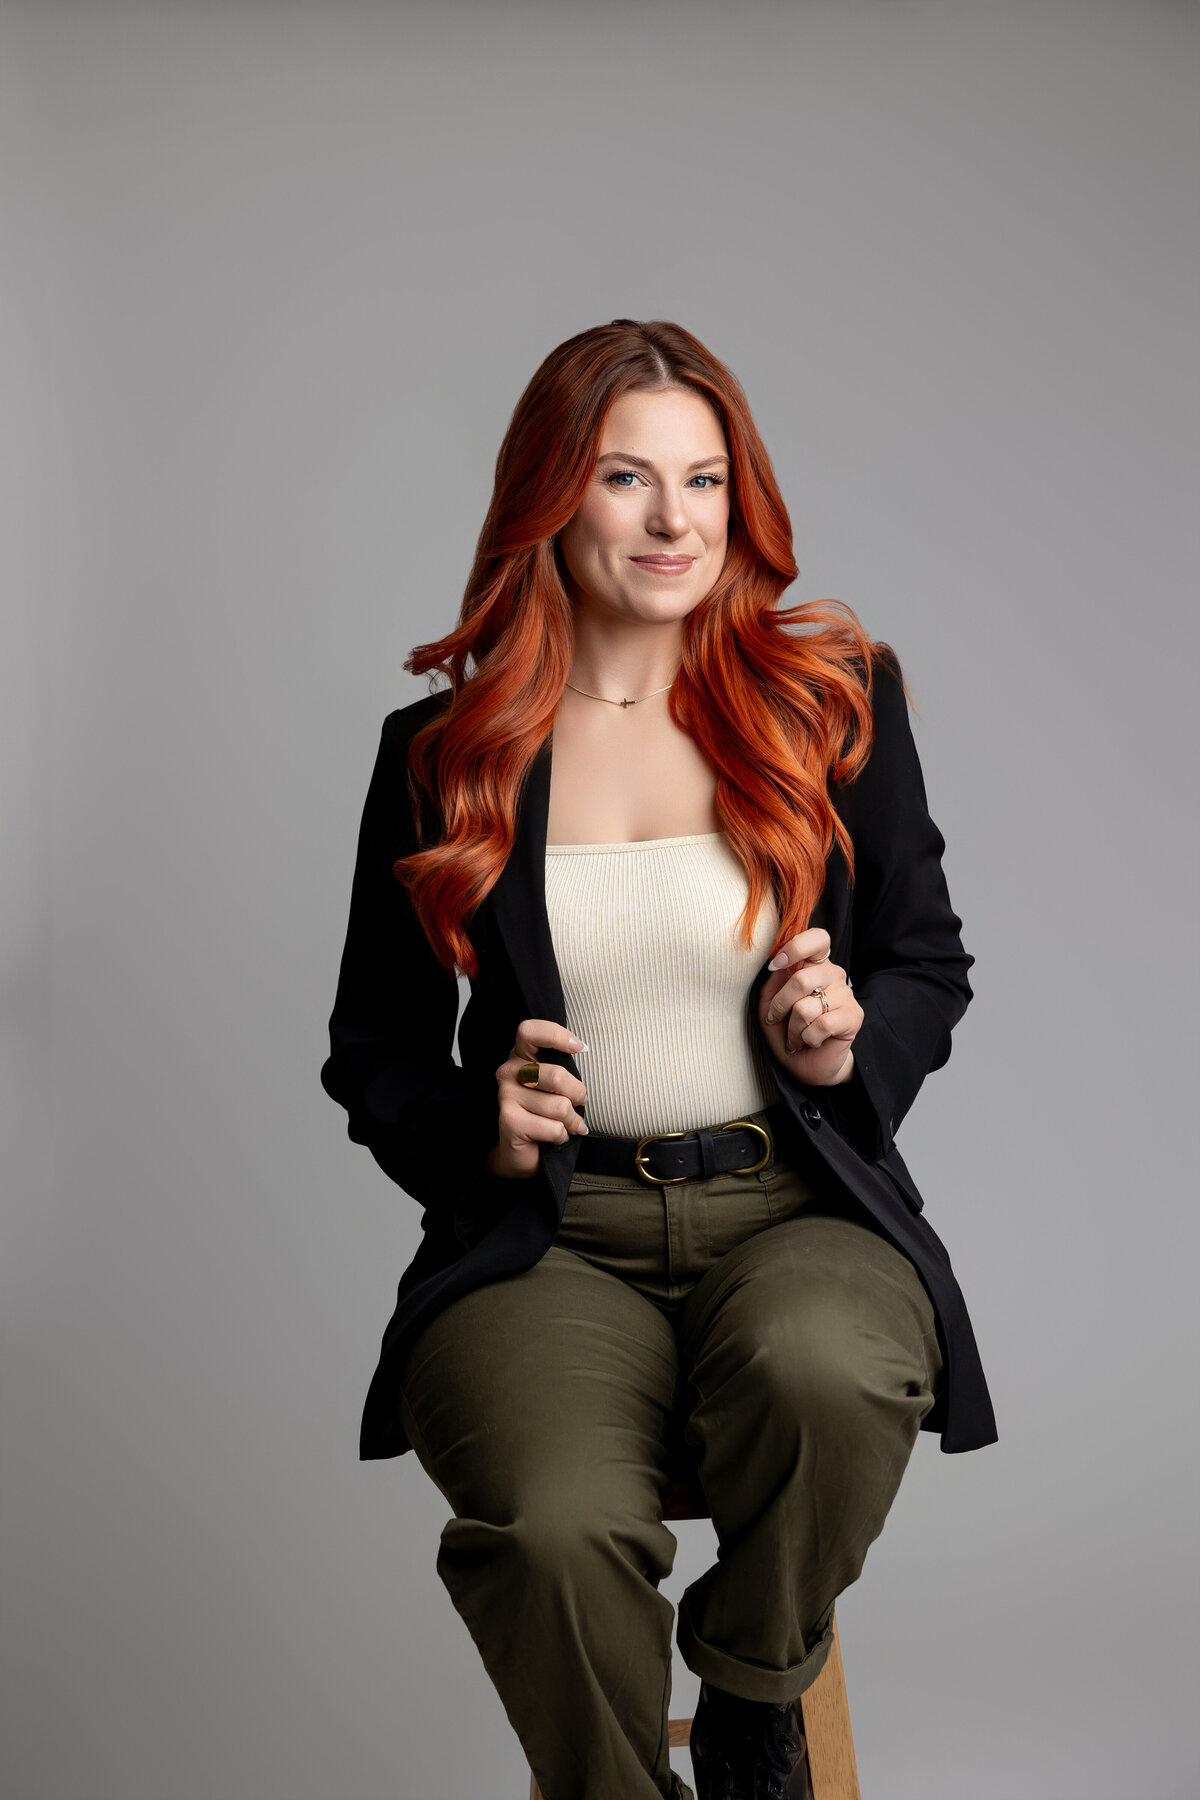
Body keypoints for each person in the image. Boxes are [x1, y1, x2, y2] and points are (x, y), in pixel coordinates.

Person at [320, 319, 998, 1800]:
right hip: (549, 1238)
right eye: (628, 478)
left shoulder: (831, 701)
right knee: (553, 1530)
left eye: (705, 478)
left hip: (795, 1206)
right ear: (553, 499)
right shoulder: (444, 754)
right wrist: (476, 1126)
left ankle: (754, 1685)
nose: (676, 519)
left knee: (830, 1372)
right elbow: (371, 1044)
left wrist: (844, 1044)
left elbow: (923, 962)